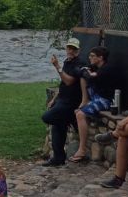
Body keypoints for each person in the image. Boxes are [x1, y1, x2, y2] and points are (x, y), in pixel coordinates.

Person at [41, 37, 85, 166]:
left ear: (78, 50)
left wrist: (57, 67)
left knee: (47, 117)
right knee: (58, 126)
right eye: (69, 48)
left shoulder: (80, 63)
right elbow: (63, 84)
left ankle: (70, 119)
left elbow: (69, 81)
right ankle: (58, 158)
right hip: (62, 100)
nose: (71, 51)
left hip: (71, 102)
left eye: (74, 49)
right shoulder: (68, 62)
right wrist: (54, 99)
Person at [69, 46, 119, 162]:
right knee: (83, 77)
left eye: (92, 56)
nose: (89, 58)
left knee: (80, 114)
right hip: (97, 96)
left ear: (100, 58)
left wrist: (87, 73)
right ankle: (84, 100)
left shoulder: (106, 69)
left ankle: (81, 150)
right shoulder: (96, 67)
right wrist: (86, 71)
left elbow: (89, 76)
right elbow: (80, 71)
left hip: (107, 100)